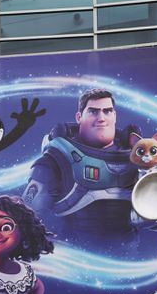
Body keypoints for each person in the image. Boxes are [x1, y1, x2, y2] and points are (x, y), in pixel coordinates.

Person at [23, 88, 142, 250]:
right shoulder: (54, 162)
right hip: (75, 260)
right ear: (79, 117)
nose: (101, 118)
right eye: (93, 112)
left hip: (129, 258)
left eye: (107, 111)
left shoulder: (141, 158)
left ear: (114, 116)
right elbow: (27, 218)